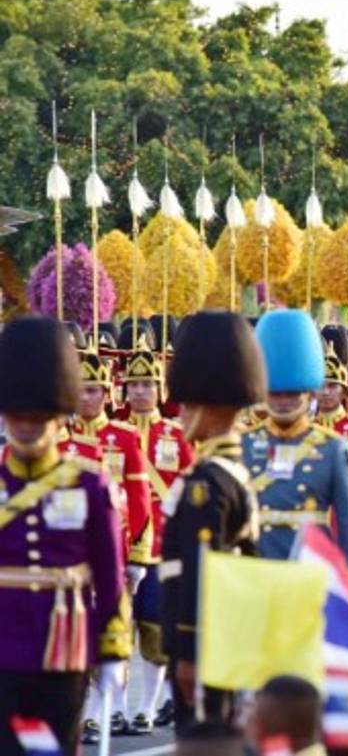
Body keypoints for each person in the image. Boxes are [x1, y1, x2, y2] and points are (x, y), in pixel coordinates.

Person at [0, 316, 129, 752]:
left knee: (55, 748)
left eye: (37, 416)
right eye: (18, 415)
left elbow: (110, 576)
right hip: (2, 642)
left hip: (64, 644)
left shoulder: (89, 485)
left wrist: (113, 649)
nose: (26, 426)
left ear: (58, 416)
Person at [158, 311, 264, 731]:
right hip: (224, 642)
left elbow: (202, 570)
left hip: (207, 646)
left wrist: (189, 651)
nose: (181, 414)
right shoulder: (228, 470)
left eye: (188, 404)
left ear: (210, 406)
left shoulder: (209, 483)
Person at [71, 348, 154, 743]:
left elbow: (139, 498)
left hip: (115, 549)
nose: (86, 398)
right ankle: (88, 710)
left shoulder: (123, 437)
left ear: (106, 394)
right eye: (80, 391)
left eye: (93, 390)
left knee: (117, 630)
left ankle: (116, 709)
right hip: (72, 556)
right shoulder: (63, 440)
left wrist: (137, 555)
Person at [243, 310, 348, 568]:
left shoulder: (333, 450)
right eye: (275, 392)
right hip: (255, 572)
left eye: (293, 393)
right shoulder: (244, 444)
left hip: (311, 574)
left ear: (309, 392)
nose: (284, 401)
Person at [122, 336, 195, 734]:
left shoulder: (177, 436)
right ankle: (111, 709)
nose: (140, 390)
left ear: (159, 389)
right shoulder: (111, 435)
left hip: (162, 549)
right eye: (134, 384)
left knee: (155, 633)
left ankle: (147, 709)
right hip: (122, 548)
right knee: (117, 635)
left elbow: (188, 491)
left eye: (148, 383)